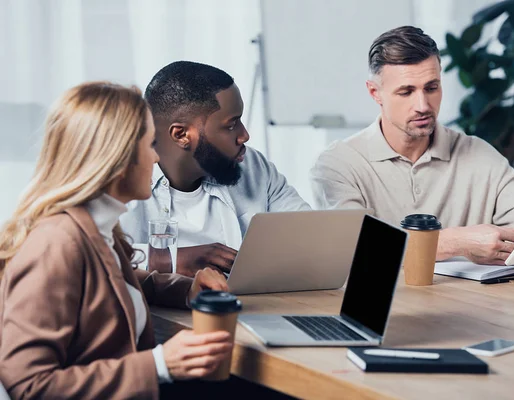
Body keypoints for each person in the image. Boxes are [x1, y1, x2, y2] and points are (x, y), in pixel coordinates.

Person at [0, 82, 232, 398]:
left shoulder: (94, 228)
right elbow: (30, 386)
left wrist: (186, 290)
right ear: (118, 157)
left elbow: (109, 285)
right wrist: (159, 365)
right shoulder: (56, 244)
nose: (156, 158)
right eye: (150, 144)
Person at [310, 26, 514, 273]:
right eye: (406, 91)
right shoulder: (338, 164)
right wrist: (455, 242)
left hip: (473, 313)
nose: (423, 105)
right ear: (375, 93)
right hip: (384, 314)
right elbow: (356, 249)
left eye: (431, 87)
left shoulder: (478, 153)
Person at [120, 61, 310, 277]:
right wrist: (168, 259)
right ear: (181, 135)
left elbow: (309, 236)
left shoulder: (253, 165)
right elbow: (93, 255)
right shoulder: (119, 180)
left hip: (250, 306)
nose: (244, 135)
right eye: (231, 125)